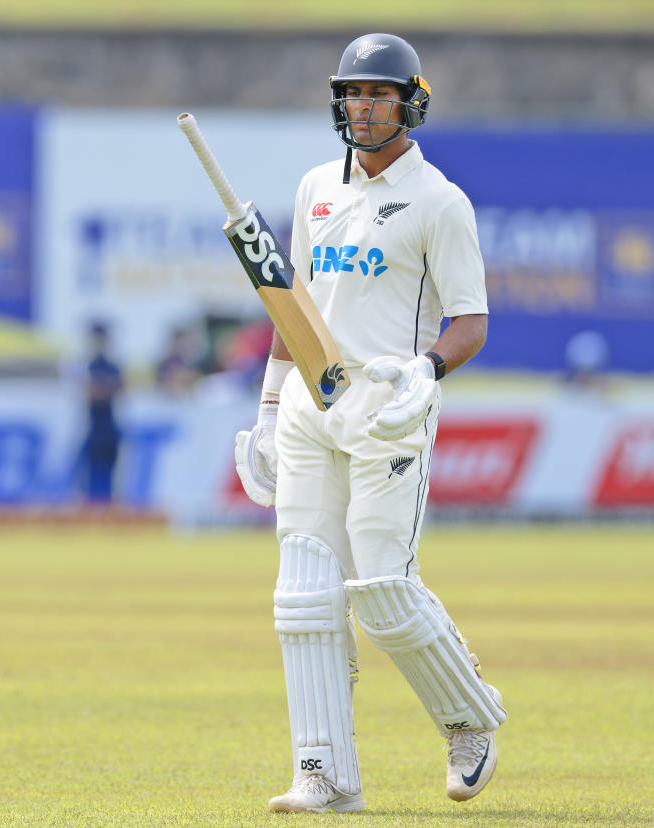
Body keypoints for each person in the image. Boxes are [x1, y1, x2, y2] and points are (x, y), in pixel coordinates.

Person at [232, 33, 505, 814]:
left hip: (389, 412)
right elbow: (294, 307)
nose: (361, 107)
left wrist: (425, 372)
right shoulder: (317, 187)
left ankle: (469, 721)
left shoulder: (440, 202)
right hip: (311, 413)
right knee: (304, 594)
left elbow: (471, 321)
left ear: (410, 102)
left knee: (382, 590)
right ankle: (322, 771)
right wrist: (268, 408)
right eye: (352, 93)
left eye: (378, 94)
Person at [82, 320, 123, 503]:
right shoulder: (89, 366)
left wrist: (101, 388)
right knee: (93, 479)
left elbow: (118, 389)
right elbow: (91, 393)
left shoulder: (109, 366)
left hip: (107, 429)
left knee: (108, 479)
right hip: (94, 429)